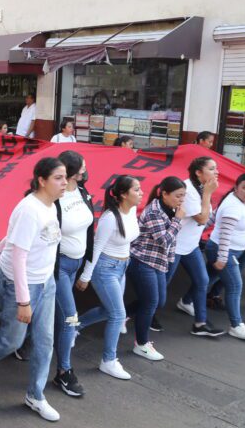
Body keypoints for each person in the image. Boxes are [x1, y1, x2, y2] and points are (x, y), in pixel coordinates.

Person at [0, 158, 65, 422]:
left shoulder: (51, 205)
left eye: (66, 177)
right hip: (19, 285)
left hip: (46, 283)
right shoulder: (29, 210)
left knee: (44, 341)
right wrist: (24, 301)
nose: (65, 183)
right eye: (58, 177)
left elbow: (13, 238)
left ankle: (36, 395)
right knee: (13, 340)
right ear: (42, 180)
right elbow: (19, 255)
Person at [76, 175, 142, 380]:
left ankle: (75, 327)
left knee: (108, 310)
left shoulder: (131, 211)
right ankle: (109, 361)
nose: (141, 193)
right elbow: (97, 248)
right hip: (105, 268)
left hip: (122, 265)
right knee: (118, 314)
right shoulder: (110, 218)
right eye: (136, 190)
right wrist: (86, 276)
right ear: (123, 194)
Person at [50, 151, 95, 398]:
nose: (85, 170)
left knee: (60, 317)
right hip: (59, 268)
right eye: (81, 167)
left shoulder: (83, 192)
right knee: (70, 318)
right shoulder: (55, 198)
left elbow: (90, 232)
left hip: (76, 265)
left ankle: (25, 345)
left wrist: (87, 268)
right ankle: (64, 372)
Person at [127, 177, 186, 361]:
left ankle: (124, 314)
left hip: (159, 262)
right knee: (151, 302)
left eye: (183, 196)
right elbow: (164, 240)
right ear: (164, 194)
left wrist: (168, 261)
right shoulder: (154, 211)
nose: (181, 200)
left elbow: (170, 243)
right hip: (142, 261)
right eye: (178, 196)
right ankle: (142, 344)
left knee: (158, 302)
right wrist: (177, 221)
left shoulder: (171, 209)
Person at [171, 157, 224, 336]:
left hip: (191, 246)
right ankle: (128, 316)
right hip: (175, 247)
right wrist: (208, 194)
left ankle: (200, 324)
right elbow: (201, 219)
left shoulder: (200, 188)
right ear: (198, 172)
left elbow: (205, 219)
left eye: (216, 168)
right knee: (159, 290)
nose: (216, 172)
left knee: (202, 281)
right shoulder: (188, 190)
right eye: (211, 168)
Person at [205, 174, 245, 340]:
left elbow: (213, 216)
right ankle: (236, 325)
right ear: (236, 188)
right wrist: (222, 258)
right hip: (225, 251)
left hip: (229, 251)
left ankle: (186, 301)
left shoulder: (240, 200)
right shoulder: (233, 207)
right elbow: (225, 235)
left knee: (208, 279)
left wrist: (201, 227)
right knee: (235, 286)